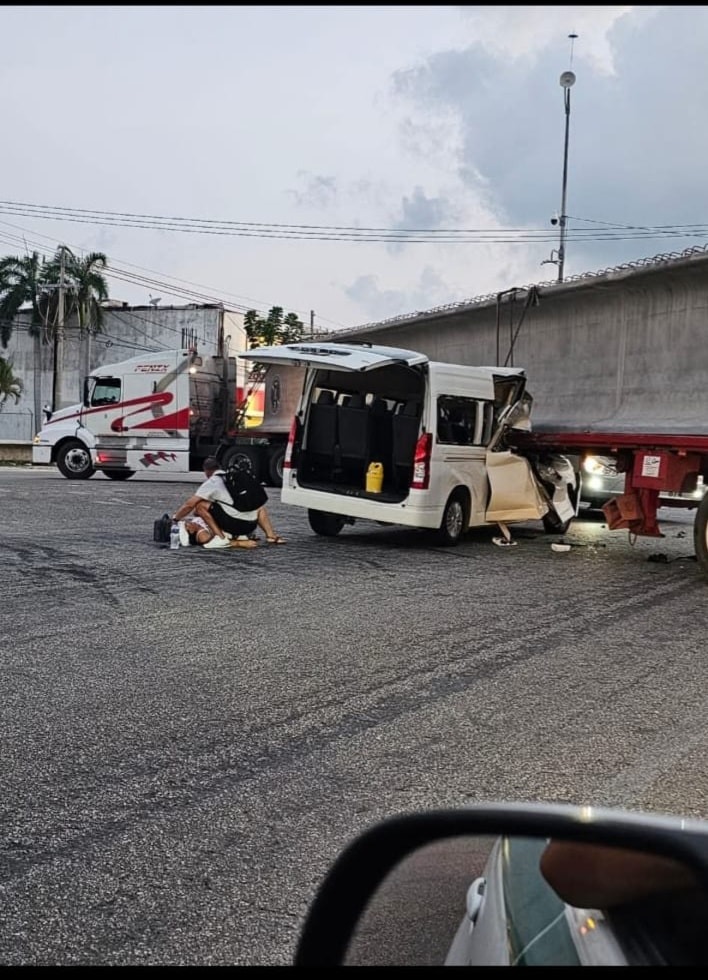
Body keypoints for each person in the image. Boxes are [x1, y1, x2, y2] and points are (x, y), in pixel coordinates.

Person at [171, 456, 286, 550]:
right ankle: (271, 536)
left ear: (206, 471)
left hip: (236, 526)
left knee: (200, 505)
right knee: (258, 507)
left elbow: (189, 505)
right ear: (220, 467)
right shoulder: (234, 480)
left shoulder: (212, 482)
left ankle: (220, 538)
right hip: (251, 526)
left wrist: (176, 518)